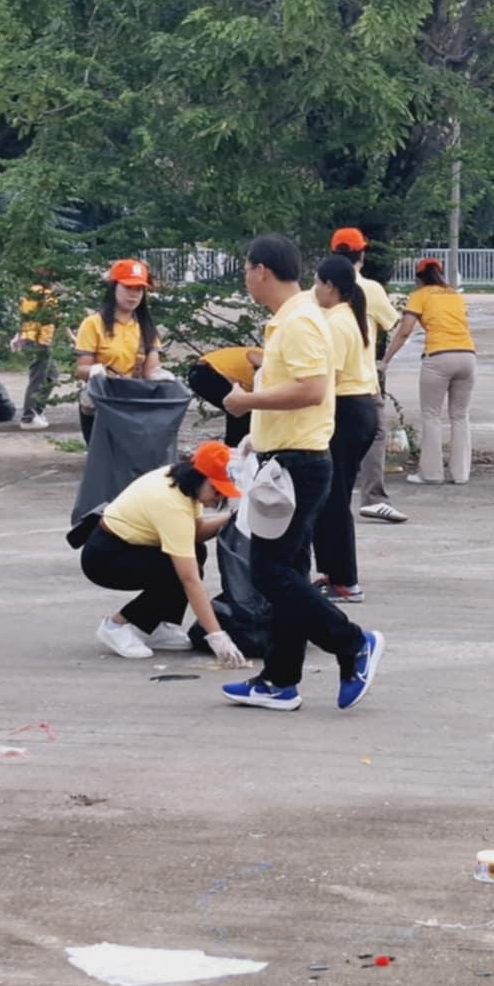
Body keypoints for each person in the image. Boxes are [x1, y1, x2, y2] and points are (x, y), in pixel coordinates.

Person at [219, 233, 383, 713]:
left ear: (261, 271)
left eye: (247, 270)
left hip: (299, 464)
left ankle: (352, 643)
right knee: (285, 572)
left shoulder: (300, 322)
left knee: (270, 572)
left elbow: (313, 390)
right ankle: (279, 680)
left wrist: (245, 400)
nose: (246, 279)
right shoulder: (289, 320)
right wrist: (257, 433)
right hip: (285, 457)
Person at [84, 440, 249, 669]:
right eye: (216, 490)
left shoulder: (183, 484)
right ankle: (117, 625)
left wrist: (232, 517)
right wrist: (217, 635)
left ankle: (158, 624)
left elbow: (195, 532)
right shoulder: (171, 503)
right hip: (106, 557)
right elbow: (189, 579)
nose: (218, 499)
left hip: (130, 546)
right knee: (178, 570)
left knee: (194, 552)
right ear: (198, 476)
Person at [308, 254, 377, 603]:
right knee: (333, 496)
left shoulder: (336, 322)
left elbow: (329, 380)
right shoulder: (352, 315)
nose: (314, 289)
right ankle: (334, 574)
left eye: (317, 282)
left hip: (346, 410)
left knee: (332, 499)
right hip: (362, 408)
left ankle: (346, 581)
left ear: (331, 287)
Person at [329, 229, 406, 526]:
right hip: (360, 380)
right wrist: (382, 359)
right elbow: (393, 323)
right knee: (375, 433)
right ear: (361, 254)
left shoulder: (320, 288)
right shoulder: (370, 289)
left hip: (324, 380)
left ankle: (331, 498)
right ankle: (373, 497)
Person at [382, 257, 477, 485]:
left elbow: (404, 332)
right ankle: (461, 474)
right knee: (460, 415)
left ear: (419, 278)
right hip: (467, 355)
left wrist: (386, 359)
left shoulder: (420, 295)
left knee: (432, 415)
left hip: (439, 357)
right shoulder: (455, 294)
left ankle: (432, 474)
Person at [75, 259, 163, 441]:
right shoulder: (93, 324)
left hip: (135, 403)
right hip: (103, 402)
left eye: (139, 289)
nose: (134, 295)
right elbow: (81, 369)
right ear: (113, 288)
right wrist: (95, 371)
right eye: (128, 288)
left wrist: (160, 375)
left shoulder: (147, 327)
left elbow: (151, 371)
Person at [187, 345, 262, 447]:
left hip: (201, 373)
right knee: (242, 411)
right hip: (209, 373)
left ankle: (233, 450)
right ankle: (235, 451)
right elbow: (252, 356)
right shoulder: (269, 358)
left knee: (240, 411)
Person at [12, 275, 61, 430]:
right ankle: (28, 417)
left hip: (40, 340)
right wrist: (38, 341)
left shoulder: (44, 293)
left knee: (51, 375)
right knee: (38, 378)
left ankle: (36, 411)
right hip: (37, 341)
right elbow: (37, 319)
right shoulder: (40, 293)